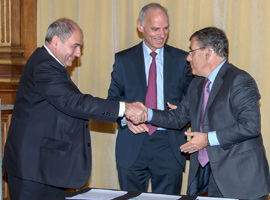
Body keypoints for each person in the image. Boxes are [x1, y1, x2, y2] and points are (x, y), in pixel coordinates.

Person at [2, 18, 146, 200]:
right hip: (32, 170)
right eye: (74, 46)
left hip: (45, 167)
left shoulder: (49, 63)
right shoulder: (44, 67)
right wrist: (124, 108)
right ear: (55, 42)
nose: (78, 53)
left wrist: (123, 116)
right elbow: (75, 103)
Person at [144, 27, 270, 199]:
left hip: (241, 180)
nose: (188, 57)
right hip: (208, 179)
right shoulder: (197, 85)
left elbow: (250, 126)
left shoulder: (239, 80)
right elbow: (178, 117)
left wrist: (207, 139)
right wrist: (146, 114)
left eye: (191, 51)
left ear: (208, 52)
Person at [107, 3, 193, 195]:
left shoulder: (182, 59)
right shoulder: (124, 59)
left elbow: (194, 100)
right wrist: (125, 119)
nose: (161, 34)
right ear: (140, 26)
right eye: (155, 29)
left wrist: (181, 111)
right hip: (132, 142)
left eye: (166, 28)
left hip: (169, 144)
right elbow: (112, 100)